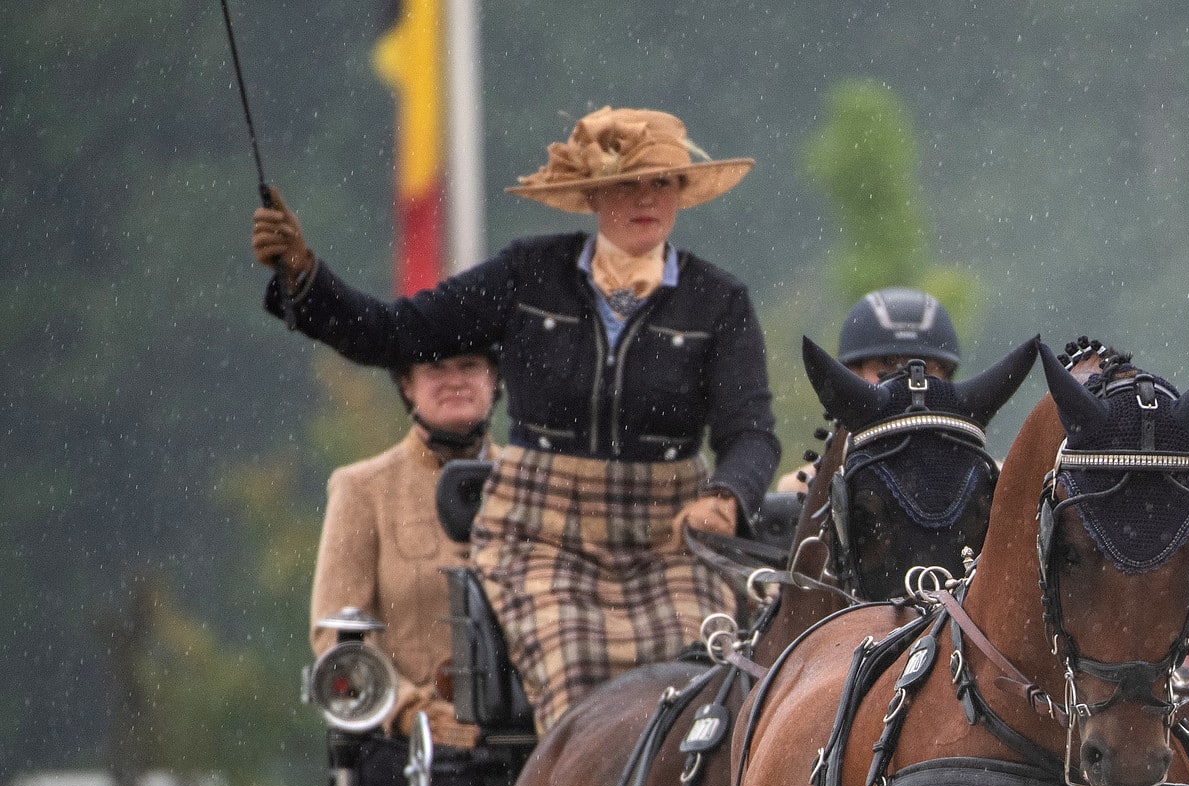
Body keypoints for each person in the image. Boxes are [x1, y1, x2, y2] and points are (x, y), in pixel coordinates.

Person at [253, 107, 778, 731]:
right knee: (582, 691)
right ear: (592, 195)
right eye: (627, 182)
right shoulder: (529, 275)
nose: (646, 198)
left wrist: (725, 497)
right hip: (541, 538)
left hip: (669, 541)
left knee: (705, 689)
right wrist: (304, 276)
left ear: (681, 195)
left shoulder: (719, 301)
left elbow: (751, 434)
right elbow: (393, 332)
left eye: (662, 182)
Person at [310, 349, 499, 749]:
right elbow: (337, 637)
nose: (455, 381)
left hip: (533, 744)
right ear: (407, 385)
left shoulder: (535, 485)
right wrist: (411, 713)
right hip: (407, 754)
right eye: (436, 367)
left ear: (494, 379)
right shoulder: (363, 488)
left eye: (469, 366)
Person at [777, 287, 962, 491]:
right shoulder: (799, 488)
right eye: (888, 362)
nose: (907, 379)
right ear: (851, 374)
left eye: (922, 366)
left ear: (946, 376)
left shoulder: (990, 483)